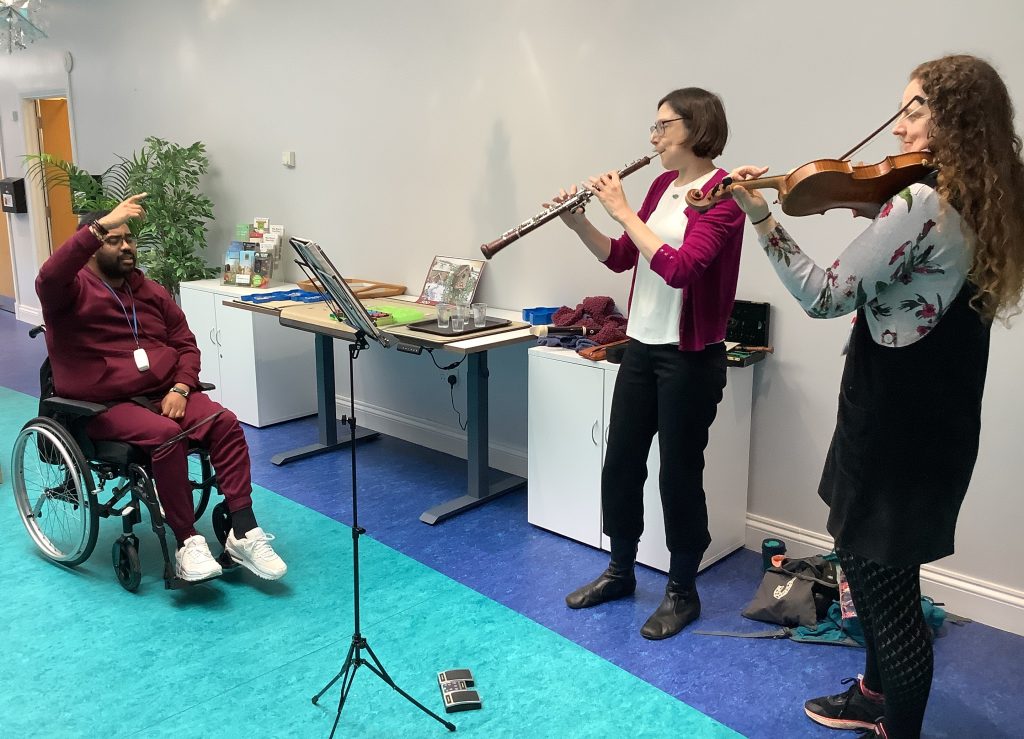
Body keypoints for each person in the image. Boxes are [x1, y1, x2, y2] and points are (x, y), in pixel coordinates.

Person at [728, 55, 1024, 738]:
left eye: (914, 109)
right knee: (880, 568)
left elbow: (824, 293)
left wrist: (761, 217)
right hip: (934, 415)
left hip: (893, 420)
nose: (897, 127)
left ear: (951, 119)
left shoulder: (921, 203)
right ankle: (870, 692)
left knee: (885, 589)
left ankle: (897, 724)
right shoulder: (979, 197)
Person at [549, 87, 745, 640]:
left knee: (680, 474)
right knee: (621, 463)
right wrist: (579, 222)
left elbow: (683, 268)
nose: (654, 137)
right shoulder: (662, 185)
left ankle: (683, 591)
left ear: (696, 127)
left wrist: (623, 210)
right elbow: (620, 257)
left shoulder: (724, 196)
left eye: (663, 126)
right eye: (653, 127)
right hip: (641, 346)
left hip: (690, 358)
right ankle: (620, 571)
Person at [35, 194, 288, 583]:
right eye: (112, 239)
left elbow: (185, 343)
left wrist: (183, 387)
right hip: (102, 406)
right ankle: (188, 542)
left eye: (130, 239)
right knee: (166, 435)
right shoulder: (68, 293)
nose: (125, 246)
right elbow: (49, 275)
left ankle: (244, 529)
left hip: (165, 395)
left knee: (224, 422)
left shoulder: (149, 291)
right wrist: (98, 226)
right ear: (91, 245)